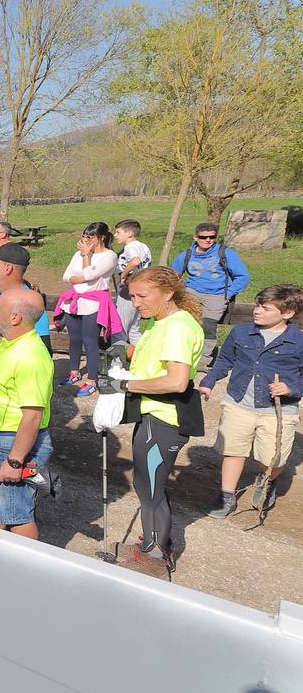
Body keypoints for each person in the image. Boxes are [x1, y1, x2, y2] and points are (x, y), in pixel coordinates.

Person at [104, 266, 206, 574]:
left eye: (142, 296)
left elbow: (176, 381)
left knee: (150, 487)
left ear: (168, 293)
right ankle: (153, 540)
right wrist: (126, 350)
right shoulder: (161, 322)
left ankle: (156, 549)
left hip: (165, 418)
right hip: (152, 415)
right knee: (147, 483)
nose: (135, 303)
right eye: (132, 296)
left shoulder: (178, 327)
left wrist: (124, 385)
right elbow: (152, 355)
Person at [200, 284, 302, 518]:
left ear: (287, 314)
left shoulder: (298, 341)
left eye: (266, 308)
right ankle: (227, 497)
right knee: (233, 451)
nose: (257, 311)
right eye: (257, 305)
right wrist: (209, 381)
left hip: (278, 411)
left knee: (272, 459)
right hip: (238, 404)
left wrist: (290, 387)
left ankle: (267, 479)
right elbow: (225, 360)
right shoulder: (241, 332)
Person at [0, 289, 54, 539]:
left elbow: (32, 416)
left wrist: (15, 460)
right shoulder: (5, 342)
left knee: (16, 514)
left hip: (13, 443)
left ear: (16, 317)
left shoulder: (30, 356)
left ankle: (26, 571)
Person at [170, 222, 251, 363]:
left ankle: (204, 360)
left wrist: (228, 293)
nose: (208, 240)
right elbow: (173, 274)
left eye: (212, 237)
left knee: (208, 325)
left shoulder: (225, 253)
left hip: (217, 295)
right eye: (203, 237)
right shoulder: (187, 254)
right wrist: (180, 290)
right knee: (186, 324)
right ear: (195, 237)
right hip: (192, 292)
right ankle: (183, 354)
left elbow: (243, 276)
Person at [55, 222, 120, 396]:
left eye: (89, 237)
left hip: (94, 303)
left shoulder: (110, 256)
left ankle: (91, 380)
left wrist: (85, 257)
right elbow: (66, 276)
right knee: (74, 339)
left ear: (102, 238)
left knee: (90, 341)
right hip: (75, 301)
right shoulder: (78, 254)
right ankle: (74, 372)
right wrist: (80, 276)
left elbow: (89, 274)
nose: (85, 240)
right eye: (84, 236)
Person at [113, 219, 151, 343]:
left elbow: (135, 261)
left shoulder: (131, 247)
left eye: (118, 232)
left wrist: (123, 276)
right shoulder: (144, 246)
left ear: (129, 233)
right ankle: (145, 356)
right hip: (142, 289)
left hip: (128, 291)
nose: (115, 235)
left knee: (120, 329)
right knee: (133, 329)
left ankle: (117, 361)